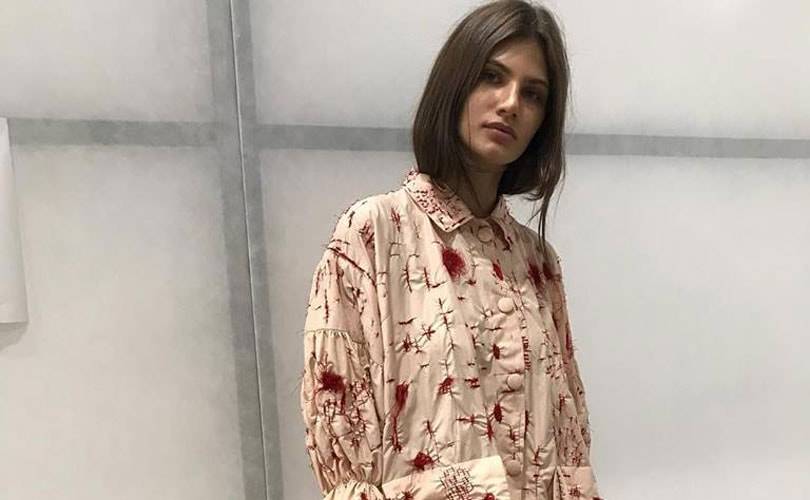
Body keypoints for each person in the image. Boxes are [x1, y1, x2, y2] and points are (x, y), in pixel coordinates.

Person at [299, 1, 603, 499]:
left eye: (533, 94)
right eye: (491, 77)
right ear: (455, 84)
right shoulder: (373, 234)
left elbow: (570, 447)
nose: (510, 103)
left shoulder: (538, 263)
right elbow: (341, 446)